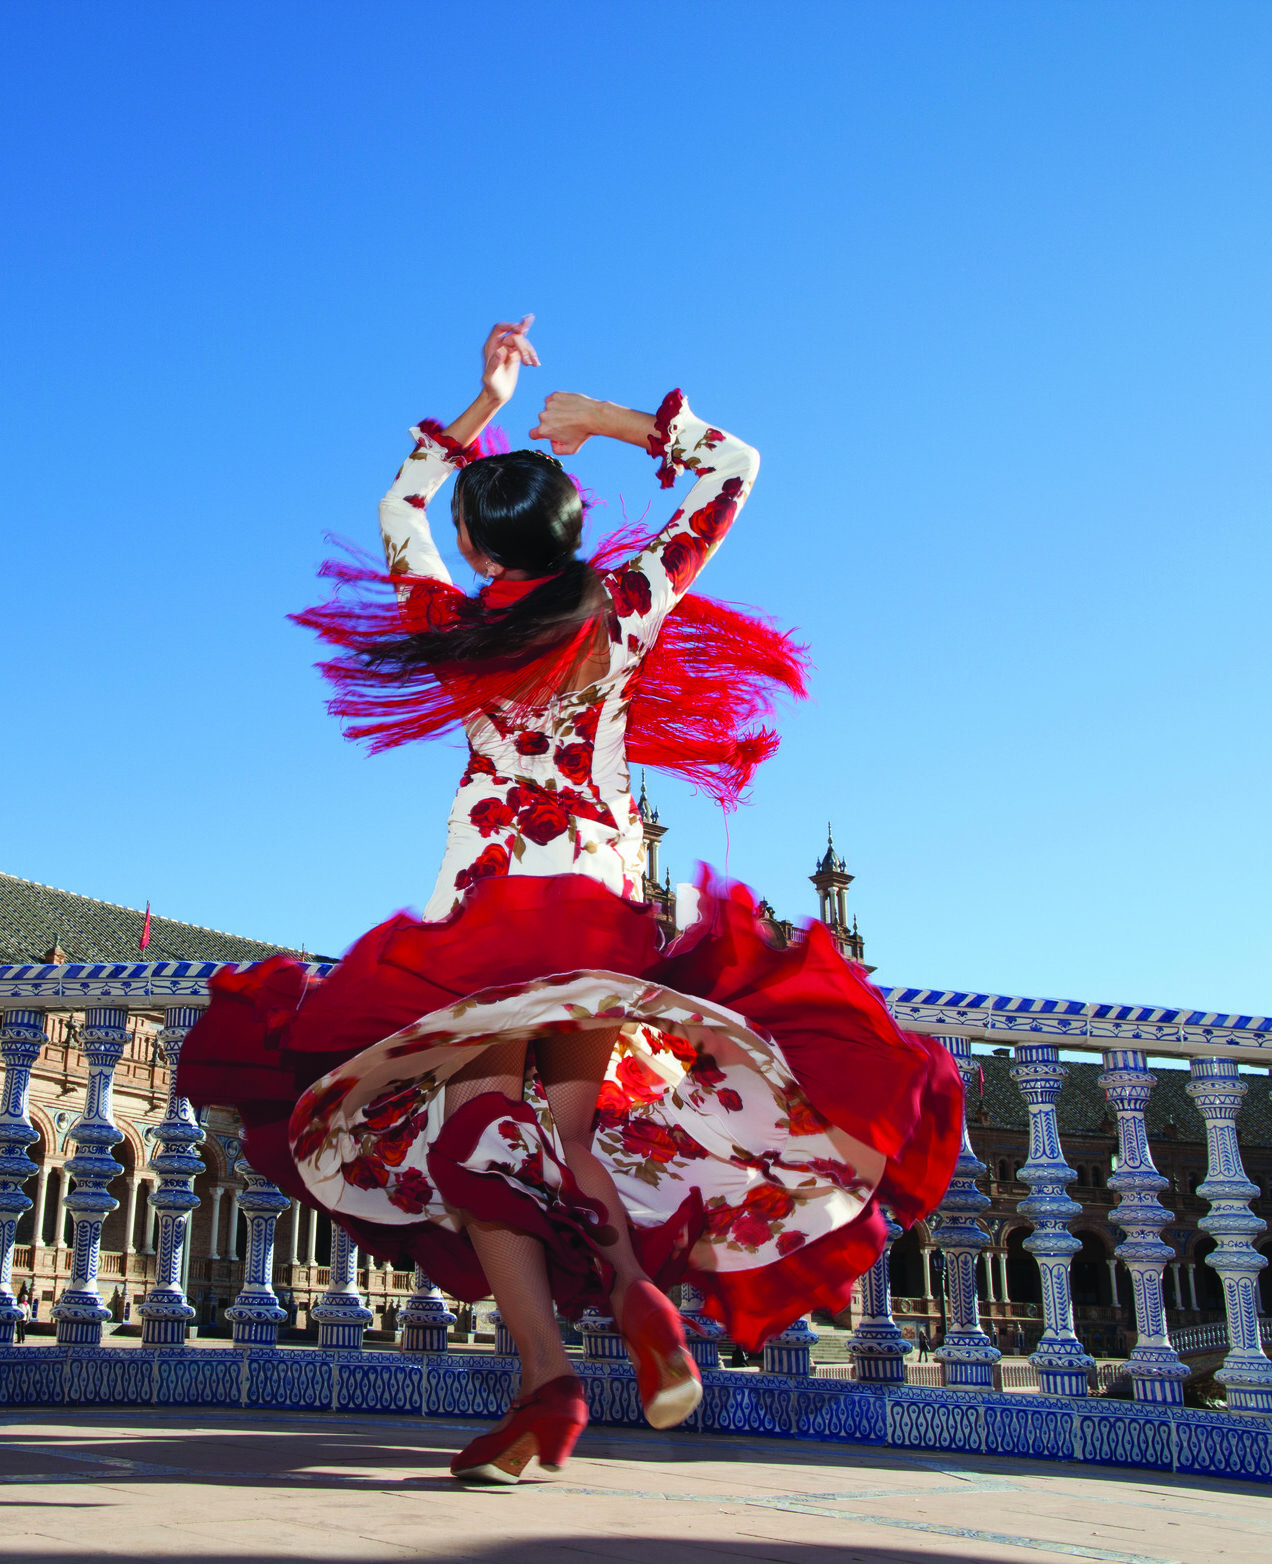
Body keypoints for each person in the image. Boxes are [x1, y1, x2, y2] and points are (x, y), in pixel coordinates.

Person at [180, 317, 961, 1484]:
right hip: (600, 910)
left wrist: (484, 403)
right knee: (570, 1140)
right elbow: (735, 465)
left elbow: (399, 509)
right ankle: (625, 1317)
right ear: (568, 530)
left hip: (488, 918)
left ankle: (549, 1377)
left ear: (480, 551)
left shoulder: (454, 623)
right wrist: (605, 418)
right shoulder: (623, 606)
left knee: (472, 1145)